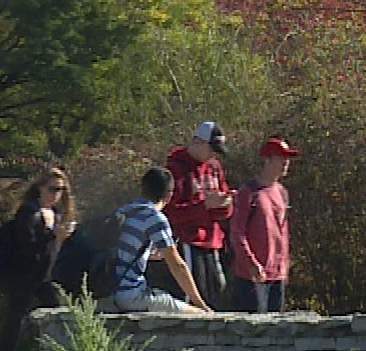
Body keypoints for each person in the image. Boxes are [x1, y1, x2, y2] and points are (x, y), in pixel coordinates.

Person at [0, 167, 77, 351]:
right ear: (40, 188)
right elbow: (27, 245)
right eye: (52, 189)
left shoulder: (53, 214)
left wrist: (61, 237)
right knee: (16, 319)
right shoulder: (28, 211)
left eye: (61, 191)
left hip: (42, 275)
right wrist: (54, 235)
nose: (56, 195)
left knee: (56, 313)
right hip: (22, 273)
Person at [100, 166, 213, 314]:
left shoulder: (124, 212)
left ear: (142, 188)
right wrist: (200, 304)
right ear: (169, 195)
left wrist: (147, 255)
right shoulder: (153, 217)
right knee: (198, 314)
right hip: (131, 295)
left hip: (108, 291)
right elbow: (177, 265)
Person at [160, 120, 233, 309]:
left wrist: (224, 204)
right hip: (188, 244)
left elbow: (224, 209)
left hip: (213, 243)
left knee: (217, 295)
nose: (213, 155)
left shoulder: (215, 168)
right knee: (192, 299)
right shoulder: (175, 170)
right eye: (211, 149)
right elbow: (169, 213)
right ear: (197, 142)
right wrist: (203, 206)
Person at [227, 136, 298, 314]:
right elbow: (237, 233)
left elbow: (282, 233)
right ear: (267, 160)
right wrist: (251, 263)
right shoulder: (248, 192)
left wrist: (285, 266)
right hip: (252, 277)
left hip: (277, 275)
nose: (285, 163)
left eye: (287, 159)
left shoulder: (282, 192)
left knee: (275, 330)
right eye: (280, 158)